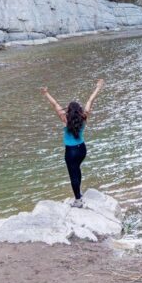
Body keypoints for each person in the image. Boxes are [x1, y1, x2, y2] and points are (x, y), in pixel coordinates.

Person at [39, 79, 104, 207]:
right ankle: (79, 194)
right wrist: (98, 87)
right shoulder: (84, 116)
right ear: (79, 110)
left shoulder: (64, 118)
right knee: (77, 169)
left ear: (69, 110)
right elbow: (90, 100)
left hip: (71, 152)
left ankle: (78, 201)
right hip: (82, 150)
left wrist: (46, 93)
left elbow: (55, 104)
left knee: (73, 174)